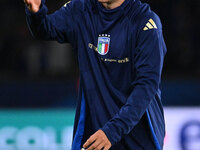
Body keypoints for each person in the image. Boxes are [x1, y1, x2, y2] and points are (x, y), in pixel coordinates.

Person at [24, 0, 167, 149]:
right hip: (95, 137)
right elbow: (45, 29)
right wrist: (36, 12)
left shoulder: (146, 23)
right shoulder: (81, 9)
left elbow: (146, 87)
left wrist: (112, 132)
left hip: (137, 139)